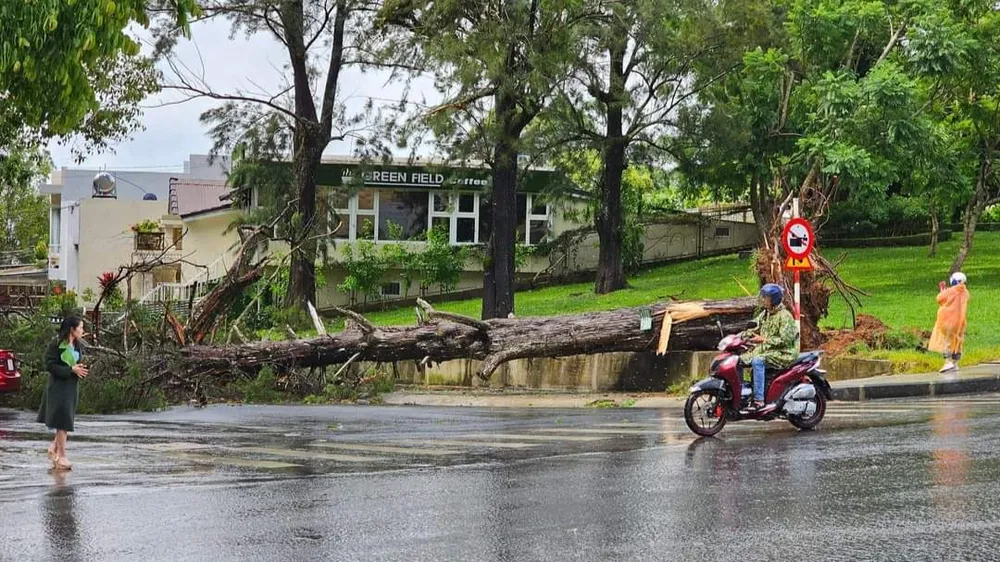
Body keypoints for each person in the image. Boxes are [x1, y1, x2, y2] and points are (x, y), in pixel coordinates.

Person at [38, 316, 89, 471]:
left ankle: (53, 448)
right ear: (72, 329)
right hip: (58, 388)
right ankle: (62, 456)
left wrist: (79, 368)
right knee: (62, 422)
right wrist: (70, 370)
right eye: (80, 327)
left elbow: (76, 362)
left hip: (71, 387)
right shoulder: (56, 344)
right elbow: (49, 365)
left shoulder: (78, 345)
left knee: (66, 420)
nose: (82, 330)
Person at [741, 284, 800, 411]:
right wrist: (741, 336)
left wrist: (764, 339)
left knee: (758, 361)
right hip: (768, 350)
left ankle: (759, 401)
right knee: (740, 360)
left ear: (774, 299)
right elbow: (754, 327)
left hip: (784, 352)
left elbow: (785, 340)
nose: (763, 300)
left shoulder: (784, 316)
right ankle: (744, 393)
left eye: (766, 298)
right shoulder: (766, 314)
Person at [929, 272, 969, 373]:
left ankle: (948, 362)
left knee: (946, 341)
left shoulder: (950, 291)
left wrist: (943, 290)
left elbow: (939, 299)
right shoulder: (966, 293)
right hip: (960, 323)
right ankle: (955, 362)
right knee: (957, 341)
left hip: (947, 321)